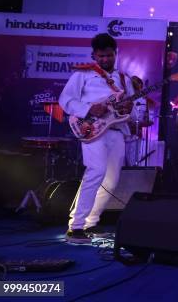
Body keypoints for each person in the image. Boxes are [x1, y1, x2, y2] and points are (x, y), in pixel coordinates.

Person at [59, 33, 135, 244]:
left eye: (109, 55)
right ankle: (75, 227)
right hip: (91, 128)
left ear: (115, 54)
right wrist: (89, 108)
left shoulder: (124, 79)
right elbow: (65, 100)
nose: (105, 60)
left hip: (117, 131)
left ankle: (91, 223)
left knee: (111, 181)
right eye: (100, 56)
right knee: (96, 172)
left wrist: (131, 107)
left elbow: (131, 110)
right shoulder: (83, 75)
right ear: (94, 55)